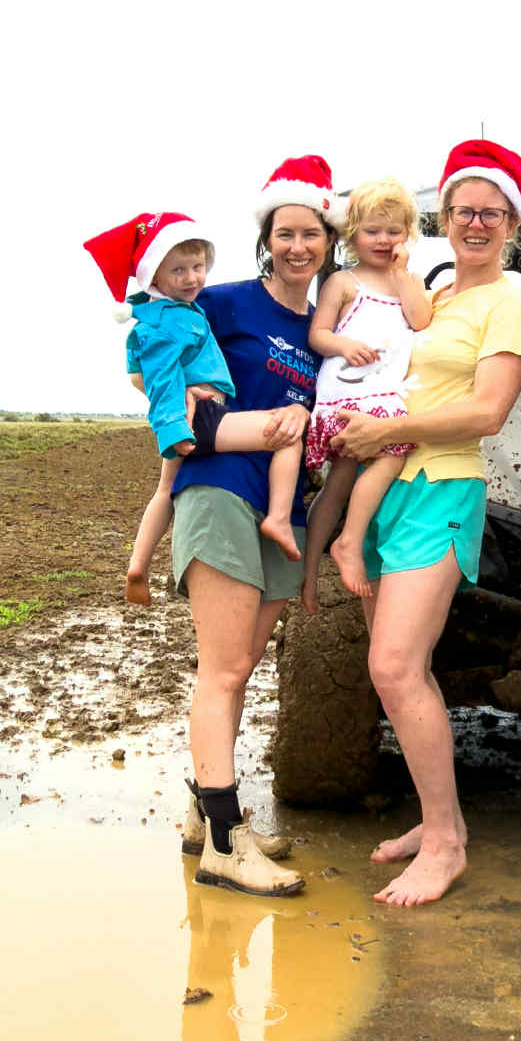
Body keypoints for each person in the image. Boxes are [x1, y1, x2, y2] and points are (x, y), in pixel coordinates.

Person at [335, 139, 521, 907]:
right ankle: (439, 822)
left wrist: (385, 430)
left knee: (394, 666)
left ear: (512, 225)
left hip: (442, 485)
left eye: (492, 212)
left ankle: (447, 846)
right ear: (445, 219)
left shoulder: (511, 301)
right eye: (464, 210)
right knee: (403, 668)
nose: (476, 222)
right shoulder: (434, 294)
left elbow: (488, 411)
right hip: (385, 485)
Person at [171, 156, 344, 898]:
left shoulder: (327, 329)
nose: (298, 246)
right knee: (222, 670)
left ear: (329, 241)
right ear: (266, 240)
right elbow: (150, 362)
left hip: (285, 509)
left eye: (311, 233)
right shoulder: (225, 303)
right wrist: (189, 402)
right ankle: (223, 844)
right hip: (218, 489)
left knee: (240, 666)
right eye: (285, 233)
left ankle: (204, 810)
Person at [81, 212, 307, 606]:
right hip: (201, 417)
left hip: (192, 420)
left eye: (198, 267)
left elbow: (138, 369)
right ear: (154, 276)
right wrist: (174, 427)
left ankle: (138, 565)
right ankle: (279, 518)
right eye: (178, 270)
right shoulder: (173, 321)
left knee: (164, 490)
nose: (191, 279)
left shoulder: (168, 313)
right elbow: (159, 376)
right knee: (285, 431)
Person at [300, 178, 433, 611]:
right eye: (372, 231)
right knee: (392, 455)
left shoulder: (408, 281)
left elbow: (421, 320)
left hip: (384, 393)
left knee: (341, 479)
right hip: (347, 392)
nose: (383, 240)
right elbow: (318, 334)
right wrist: (343, 345)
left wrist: (402, 275)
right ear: (353, 234)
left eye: (394, 231)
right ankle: (343, 545)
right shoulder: (344, 282)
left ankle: (319, 566)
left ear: (408, 235)